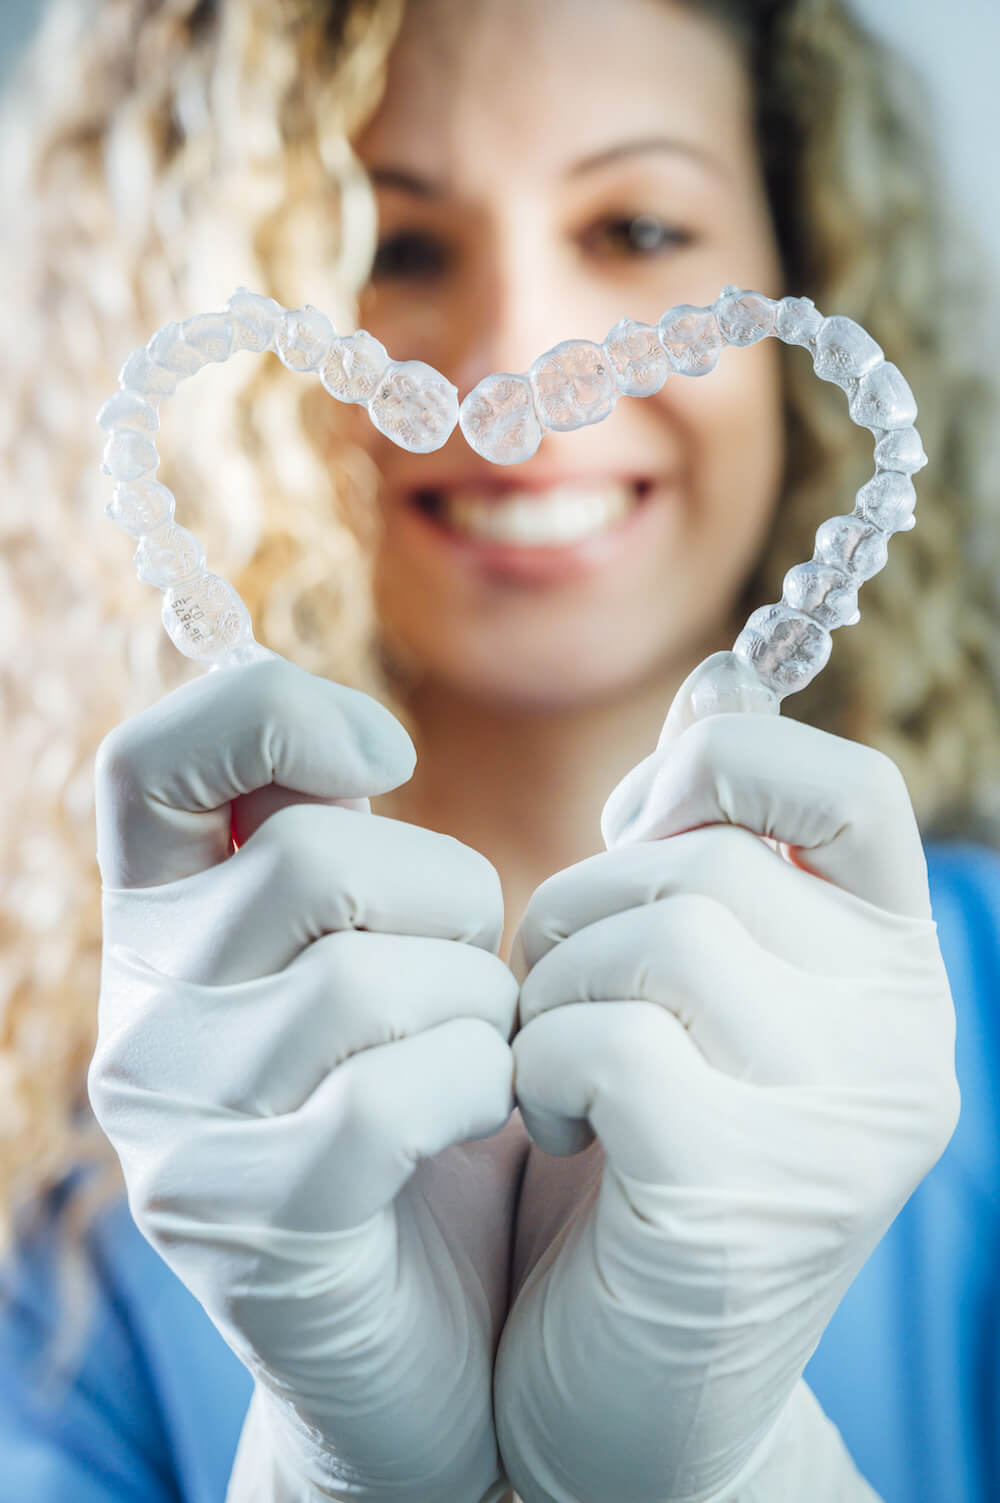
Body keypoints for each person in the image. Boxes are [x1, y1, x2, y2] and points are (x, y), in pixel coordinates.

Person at [1, 0, 998, 1499]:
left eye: (642, 228)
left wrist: (735, 1466)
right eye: (395, 247)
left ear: (811, 272)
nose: (521, 362)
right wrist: (343, 1471)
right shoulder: (52, 1163)